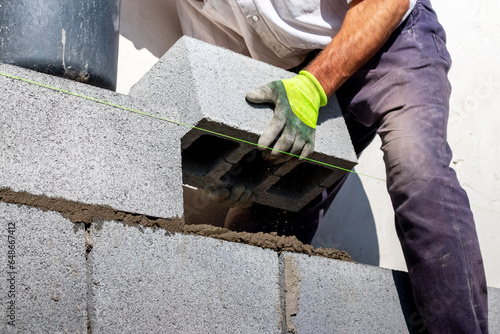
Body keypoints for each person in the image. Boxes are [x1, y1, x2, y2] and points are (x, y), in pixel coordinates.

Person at [177, 0, 488, 332]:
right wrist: (241, 169)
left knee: (416, 171)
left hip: (392, 40)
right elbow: (233, 76)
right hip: (298, 75)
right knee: (259, 222)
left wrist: (314, 86)